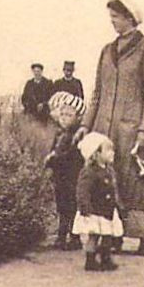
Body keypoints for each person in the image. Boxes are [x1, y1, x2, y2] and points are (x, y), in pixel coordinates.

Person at [81, 0, 144, 255]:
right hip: (105, 131)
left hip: (134, 130)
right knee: (109, 183)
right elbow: (97, 93)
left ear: (130, 18)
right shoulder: (106, 51)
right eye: (110, 16)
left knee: (139, 182)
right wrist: (86, 126)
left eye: (116, 17)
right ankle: (113, 236)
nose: (112, 21)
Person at [41, 91, 86, 250]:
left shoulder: (76, 135)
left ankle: (74, 237)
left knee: (72, 206)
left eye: (69, 114)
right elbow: (55, 149)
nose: (64, 117)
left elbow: (71, 154)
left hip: (72, 175)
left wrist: (54, 157)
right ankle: (61, 235)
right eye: (63, 114)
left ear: (78, 117)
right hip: (60, 176)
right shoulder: (59, 133)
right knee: (62, 205)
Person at [72, 132, 122, 272]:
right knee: (93, 236)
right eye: (108, 150)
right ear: (96, 153)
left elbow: (113, 189)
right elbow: (83, 190)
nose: (112, 152)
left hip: (107, 210)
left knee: (107, 235)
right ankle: (90, 260)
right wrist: (84, 207)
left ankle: (105, 258)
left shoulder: (109, 170)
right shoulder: (89, 172)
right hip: (94, 210)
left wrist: (117, 204)